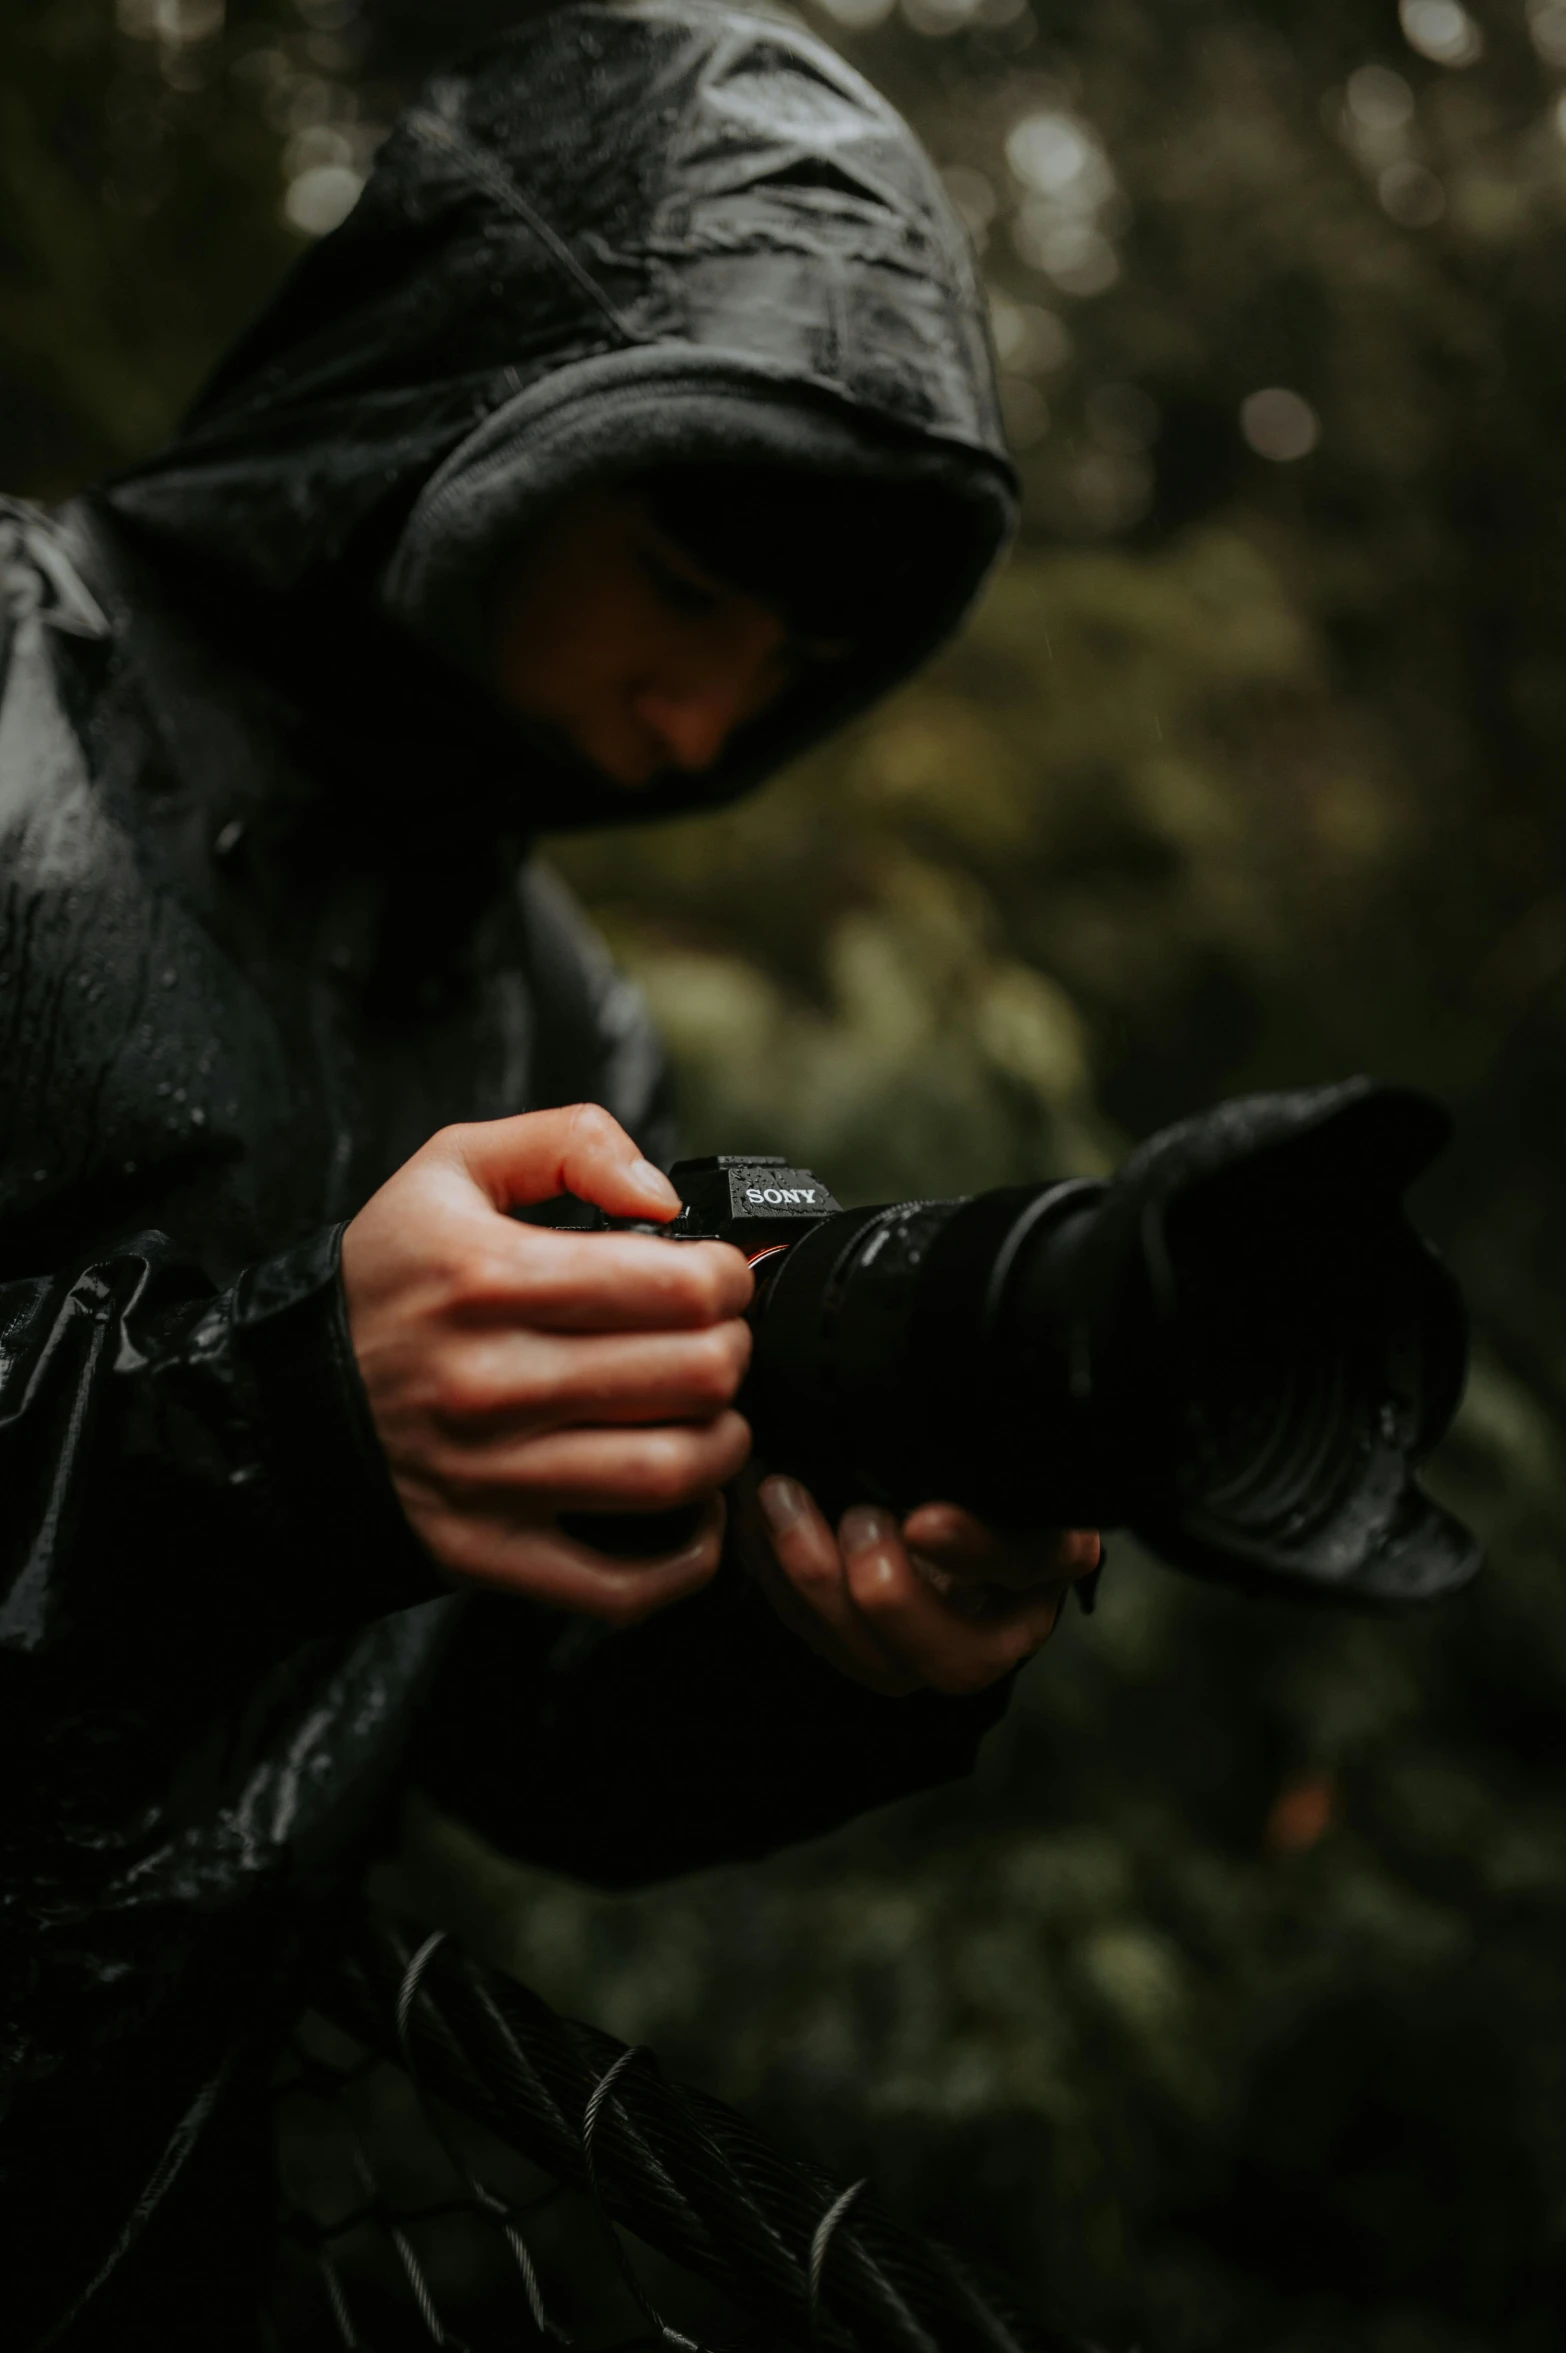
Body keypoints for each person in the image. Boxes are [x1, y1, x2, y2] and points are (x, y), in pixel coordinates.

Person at [0, 4, 1096, 2343]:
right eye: (684, 585)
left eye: (788, 656)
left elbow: (499, 1722)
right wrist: (273, 1425)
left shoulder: (553, 1017)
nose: (707, 724)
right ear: (471, 402)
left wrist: (823, 1654)